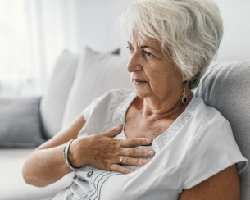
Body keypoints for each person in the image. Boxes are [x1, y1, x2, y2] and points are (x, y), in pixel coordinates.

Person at [22, 0, 248, 199]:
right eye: (131, 48)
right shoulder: (110, 103)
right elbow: (31, 173)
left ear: (189, 65)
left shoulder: (204, 138)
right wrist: (77, 151)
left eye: (148, 53)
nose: (129, 65)